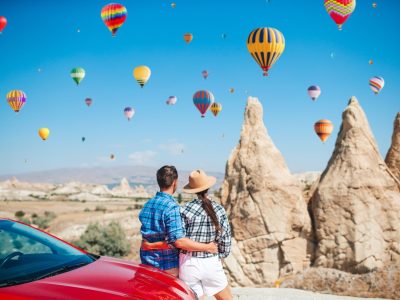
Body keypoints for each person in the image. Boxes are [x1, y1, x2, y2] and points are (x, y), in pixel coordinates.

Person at [139, 165, 218, 277]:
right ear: (174, 182)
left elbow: (146, 239)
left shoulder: (147, 205)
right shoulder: (171, 207)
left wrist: (150, 245)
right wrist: (208, 247)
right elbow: (178, 241)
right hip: (166, 266)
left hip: (147, 263)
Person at [179, 170, 232, 300]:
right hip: (210, 261)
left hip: (188, 263)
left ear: (192, 190)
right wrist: (221, 255)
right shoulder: (219, 209)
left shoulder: (184, 209)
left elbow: (179, 238)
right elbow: (225, 238)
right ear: (208, 187)